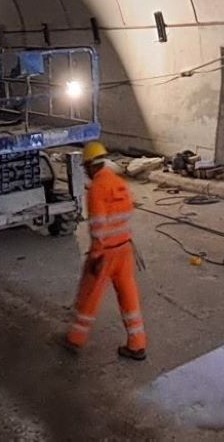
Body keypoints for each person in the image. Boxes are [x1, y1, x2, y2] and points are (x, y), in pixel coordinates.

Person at [63, 141, 147, 360]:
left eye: (85, 168)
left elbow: (98, 226)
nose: (86, 172)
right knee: (128, 294)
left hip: (105, 252)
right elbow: (128, 213)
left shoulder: (97, 189)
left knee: (90, 294)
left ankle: (75, 339)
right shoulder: (119, 183)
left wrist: (96, 255)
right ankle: (137, 343)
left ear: (91, 165)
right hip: (125, 249)